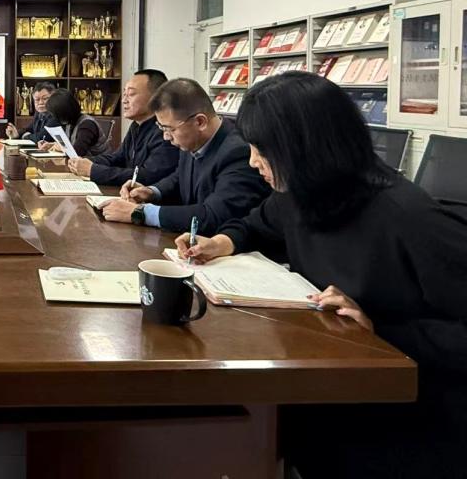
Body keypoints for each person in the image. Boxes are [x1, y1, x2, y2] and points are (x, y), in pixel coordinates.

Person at [176, 72, 467, 478]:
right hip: (330, 382)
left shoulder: (408, 219)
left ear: (302, 147)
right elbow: (257, 223)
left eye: (261, 150)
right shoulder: (301, 193)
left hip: (409, 417)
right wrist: (221, 242)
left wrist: (378, 329)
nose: (252, 162)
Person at [102, 78, 268, 233]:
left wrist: (141, 213)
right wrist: (152, 192)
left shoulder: (239, 152)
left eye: (170, 129)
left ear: (200, 122)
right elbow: (179, 178)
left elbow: (215, 215)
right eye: (161, 128)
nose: (166, 137)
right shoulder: (192, 139)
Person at [67, 69, 178, 187]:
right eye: (124, 94)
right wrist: (85, 162)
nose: (124, 100)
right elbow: (118, 158)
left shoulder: (165, 131)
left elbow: (147, 177)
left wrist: (93, 170)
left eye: (131, 94)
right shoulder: (136, 125)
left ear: (156, 97)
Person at [37, 88, 110, 158]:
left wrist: (61, 147)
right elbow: (71, 145)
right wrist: (52, 145)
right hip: (82, 163)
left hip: (98, 164)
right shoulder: (71, 121)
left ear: (63, 112)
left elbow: (78, 152)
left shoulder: (87, 125)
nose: (54, 118)